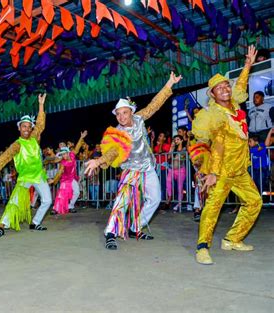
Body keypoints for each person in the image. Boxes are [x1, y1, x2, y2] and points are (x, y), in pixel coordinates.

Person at [85, 71, 183, 250]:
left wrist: (169, 84)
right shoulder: (117, 132)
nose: (121, 117)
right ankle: (110, 233)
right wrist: (98, 161)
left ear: (131, 111)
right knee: (122, 201)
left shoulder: (139, 119)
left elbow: (155, 105)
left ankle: (134, 227)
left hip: (147, 167)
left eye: (124, 113)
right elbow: (113, 152)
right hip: (131, 170)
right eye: (118, 114)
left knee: (155, 198)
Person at [190, 45, 262, 265]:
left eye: (225, 86)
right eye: (219, 88)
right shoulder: (212, 115)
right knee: (213, 207)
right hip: (220, 171)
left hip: (240, 169)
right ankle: (202, 247)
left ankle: (232, 239)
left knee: (254, 201)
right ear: (212, 94)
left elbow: (240, 85)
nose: (225, 89)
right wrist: (208, 171)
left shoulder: (236, 106)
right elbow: (213, 144)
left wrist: (248, 64)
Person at [0, 94, 52, 238]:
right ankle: (2, 226)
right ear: (19, 128)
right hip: (25, 177)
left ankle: (35, 222)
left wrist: (41, 105)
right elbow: (6, 155)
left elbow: (40, 123)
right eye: (23, 126)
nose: (26, 128)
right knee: (14, 202)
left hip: (38, 175)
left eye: (28, 126)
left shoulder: (34, 137)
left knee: (47, 200)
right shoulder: (17, 144)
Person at [49, 131, 87, 214]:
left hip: (72, 178)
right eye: (62, 155)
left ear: (68, 152)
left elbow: (77, 147)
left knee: (76, 192)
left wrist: (81, 137)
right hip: (65, 179)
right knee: (62, 194)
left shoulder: (72, 155)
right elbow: (59, 172)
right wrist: (54, 180)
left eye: (65, 154)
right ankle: (55, 208)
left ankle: (71, 206)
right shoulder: (63, 163)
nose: (64, 156)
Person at [166, 135, 187, 212]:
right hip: (172, 169)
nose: (176, 141)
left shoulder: (184, 148)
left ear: (181, 140)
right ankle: (170, 196)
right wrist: (171, 148)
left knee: (180, 187)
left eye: (178, 139)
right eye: (175, 140)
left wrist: (181, 143)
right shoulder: (174, 148)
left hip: (181, 170)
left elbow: (180, 152)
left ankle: (179, 204)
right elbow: (168, 158)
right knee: (168, 181)